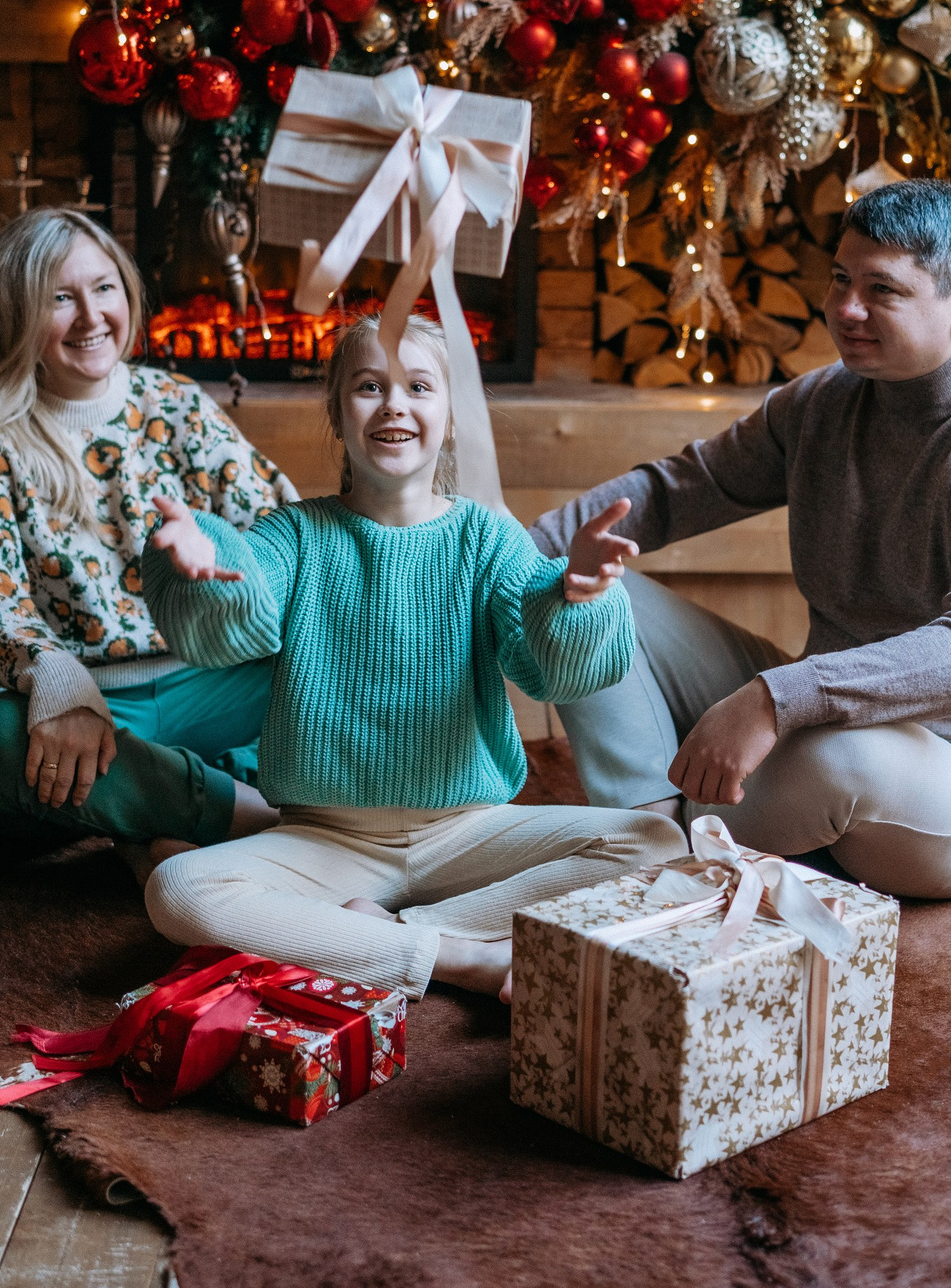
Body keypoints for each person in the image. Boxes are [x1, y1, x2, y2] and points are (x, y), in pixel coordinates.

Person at [529, 178, 951, 900]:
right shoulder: (823, 402)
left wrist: (773, 700)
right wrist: (506, 556)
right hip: (829, 711)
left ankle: (669, 847)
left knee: (837, 760)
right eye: (840, 280)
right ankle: (649, 833)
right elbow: (679, 489)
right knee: (580, 588)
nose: (846, 309)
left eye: (881, 290)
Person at [140, 313, 685, 999]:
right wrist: (206, 563)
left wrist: (577, 597)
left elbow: (550, 670)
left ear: (450, 419)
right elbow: (237, 608)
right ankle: (460, 958)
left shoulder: (488, 537)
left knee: (658, 843)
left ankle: (387, 935)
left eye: (419, 387)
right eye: (369, 386)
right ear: (338, 413)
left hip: (469, 833)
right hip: (326, 841)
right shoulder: (295, 534)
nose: (393, 403)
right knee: (177, 890)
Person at [0, 207, 295, 854]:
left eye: (104, 288)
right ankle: (243, 816)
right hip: (54, 701)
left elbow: (282, 534)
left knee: (332, 666)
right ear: (17, 312)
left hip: (204, 686)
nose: (91, 317)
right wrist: (55, 681)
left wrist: (217, 547)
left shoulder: (177, 404)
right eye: (60, 298)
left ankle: (153, 819)